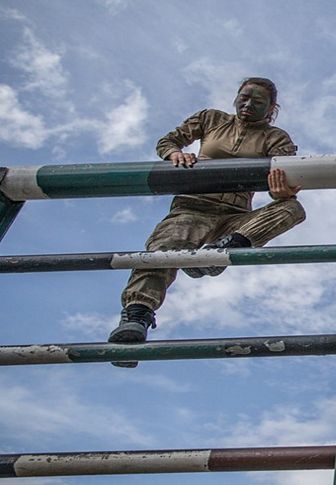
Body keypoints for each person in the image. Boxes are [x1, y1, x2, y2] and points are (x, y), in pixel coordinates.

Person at [108, 77, 304, 367]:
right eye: (244, 97)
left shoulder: (275, 137)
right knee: (166, 246)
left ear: (272, 109)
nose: (248, 105)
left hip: (234, 216)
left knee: (291, 209)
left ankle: (224, 251)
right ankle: (137, 316)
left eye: (258, 102)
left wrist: (284, 191)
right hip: (194, 206)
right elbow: (169, 140)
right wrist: (174, 153)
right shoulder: (211, 119)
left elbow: (287, 173)